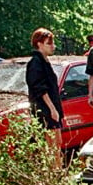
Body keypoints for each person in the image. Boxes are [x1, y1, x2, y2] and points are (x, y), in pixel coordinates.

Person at [26, 27, 63, 165]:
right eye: (49, 43)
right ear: (39, 44)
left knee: (57, 144)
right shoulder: (35, 63)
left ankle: (57, 174)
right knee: (52, 146)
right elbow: (40, 89)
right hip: (45, 111)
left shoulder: (45, 61)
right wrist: (52, 109)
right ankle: (54, 177)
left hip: (52, 110)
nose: (53, 46)